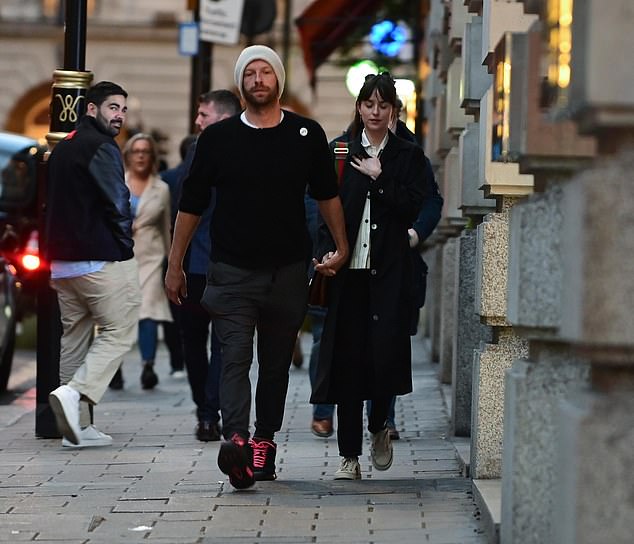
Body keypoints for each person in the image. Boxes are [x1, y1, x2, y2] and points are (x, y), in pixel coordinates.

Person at [165, 45, 348, 490]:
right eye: (250, 73)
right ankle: (238, 440)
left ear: (279, 81)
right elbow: (190, 204)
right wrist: (176, 264)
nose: (259, 79)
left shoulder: (306, 134)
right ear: (241, 83)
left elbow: (327, 195)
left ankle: (264, 439)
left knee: (275, 363)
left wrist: (341, 247)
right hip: (231, 270)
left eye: (266, 72)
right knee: (232, 356)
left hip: (287, 270)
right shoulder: (218, 139)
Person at [310, 72, 435, 480]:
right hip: (349, 274)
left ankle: (380, 424)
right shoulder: (339, 151)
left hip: (390, 274)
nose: (376, 112)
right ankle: (348, 456)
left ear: (393, 110)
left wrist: (381, 180)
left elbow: (416, 204)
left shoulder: (408, 155)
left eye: (384, 105)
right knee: (347, 364)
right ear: (359, 107)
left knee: (383, 360)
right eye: (369, 104)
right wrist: (325, 253)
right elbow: (322, 209)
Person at [46, 81, 141, 447]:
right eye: (112, 108)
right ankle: (76, 393)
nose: (118, 115)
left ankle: (77, 429)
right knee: (120, 330)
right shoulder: (102, 146)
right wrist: (125, 246)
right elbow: (118, 201)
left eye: (122, 109)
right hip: (97, 257)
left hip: (62, 262)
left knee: (75, 338)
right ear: (91, 109)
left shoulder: (63, 147)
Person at [178, 90, 242, 442]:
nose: (197, 121)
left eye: (203, 114)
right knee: (194, 339)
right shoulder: (196, 150)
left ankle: (208, 412)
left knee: (219, 342)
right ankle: (206, 408)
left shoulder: (241, 150)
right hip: (196, 263)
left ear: (223, 117)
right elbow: (182, 205)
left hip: (227, 263)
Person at [122, 133, 173, 390]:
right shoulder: (116, 183)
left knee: (148, 311)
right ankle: (115, 368)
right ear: (128, 156)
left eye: (145, 151)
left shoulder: (161, 189)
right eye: (136, 151)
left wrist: (172, 262)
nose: (140, 155)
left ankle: (148, 365)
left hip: (151, 258)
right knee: (117, 313)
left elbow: (166, 228)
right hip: (119, 258)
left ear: (152, 157)